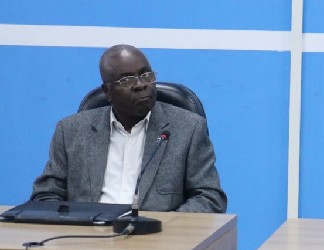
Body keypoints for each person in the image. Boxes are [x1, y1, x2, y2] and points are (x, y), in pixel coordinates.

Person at [31, 44, 227, 213]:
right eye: (127, 80)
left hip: (156, 238)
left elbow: (209, 198)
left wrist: (163, 227)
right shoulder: (71, 131)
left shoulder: (188, 128)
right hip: (87, 235)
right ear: (107, 91)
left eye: (146, 75)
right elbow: (46, 195)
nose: (141, 85)